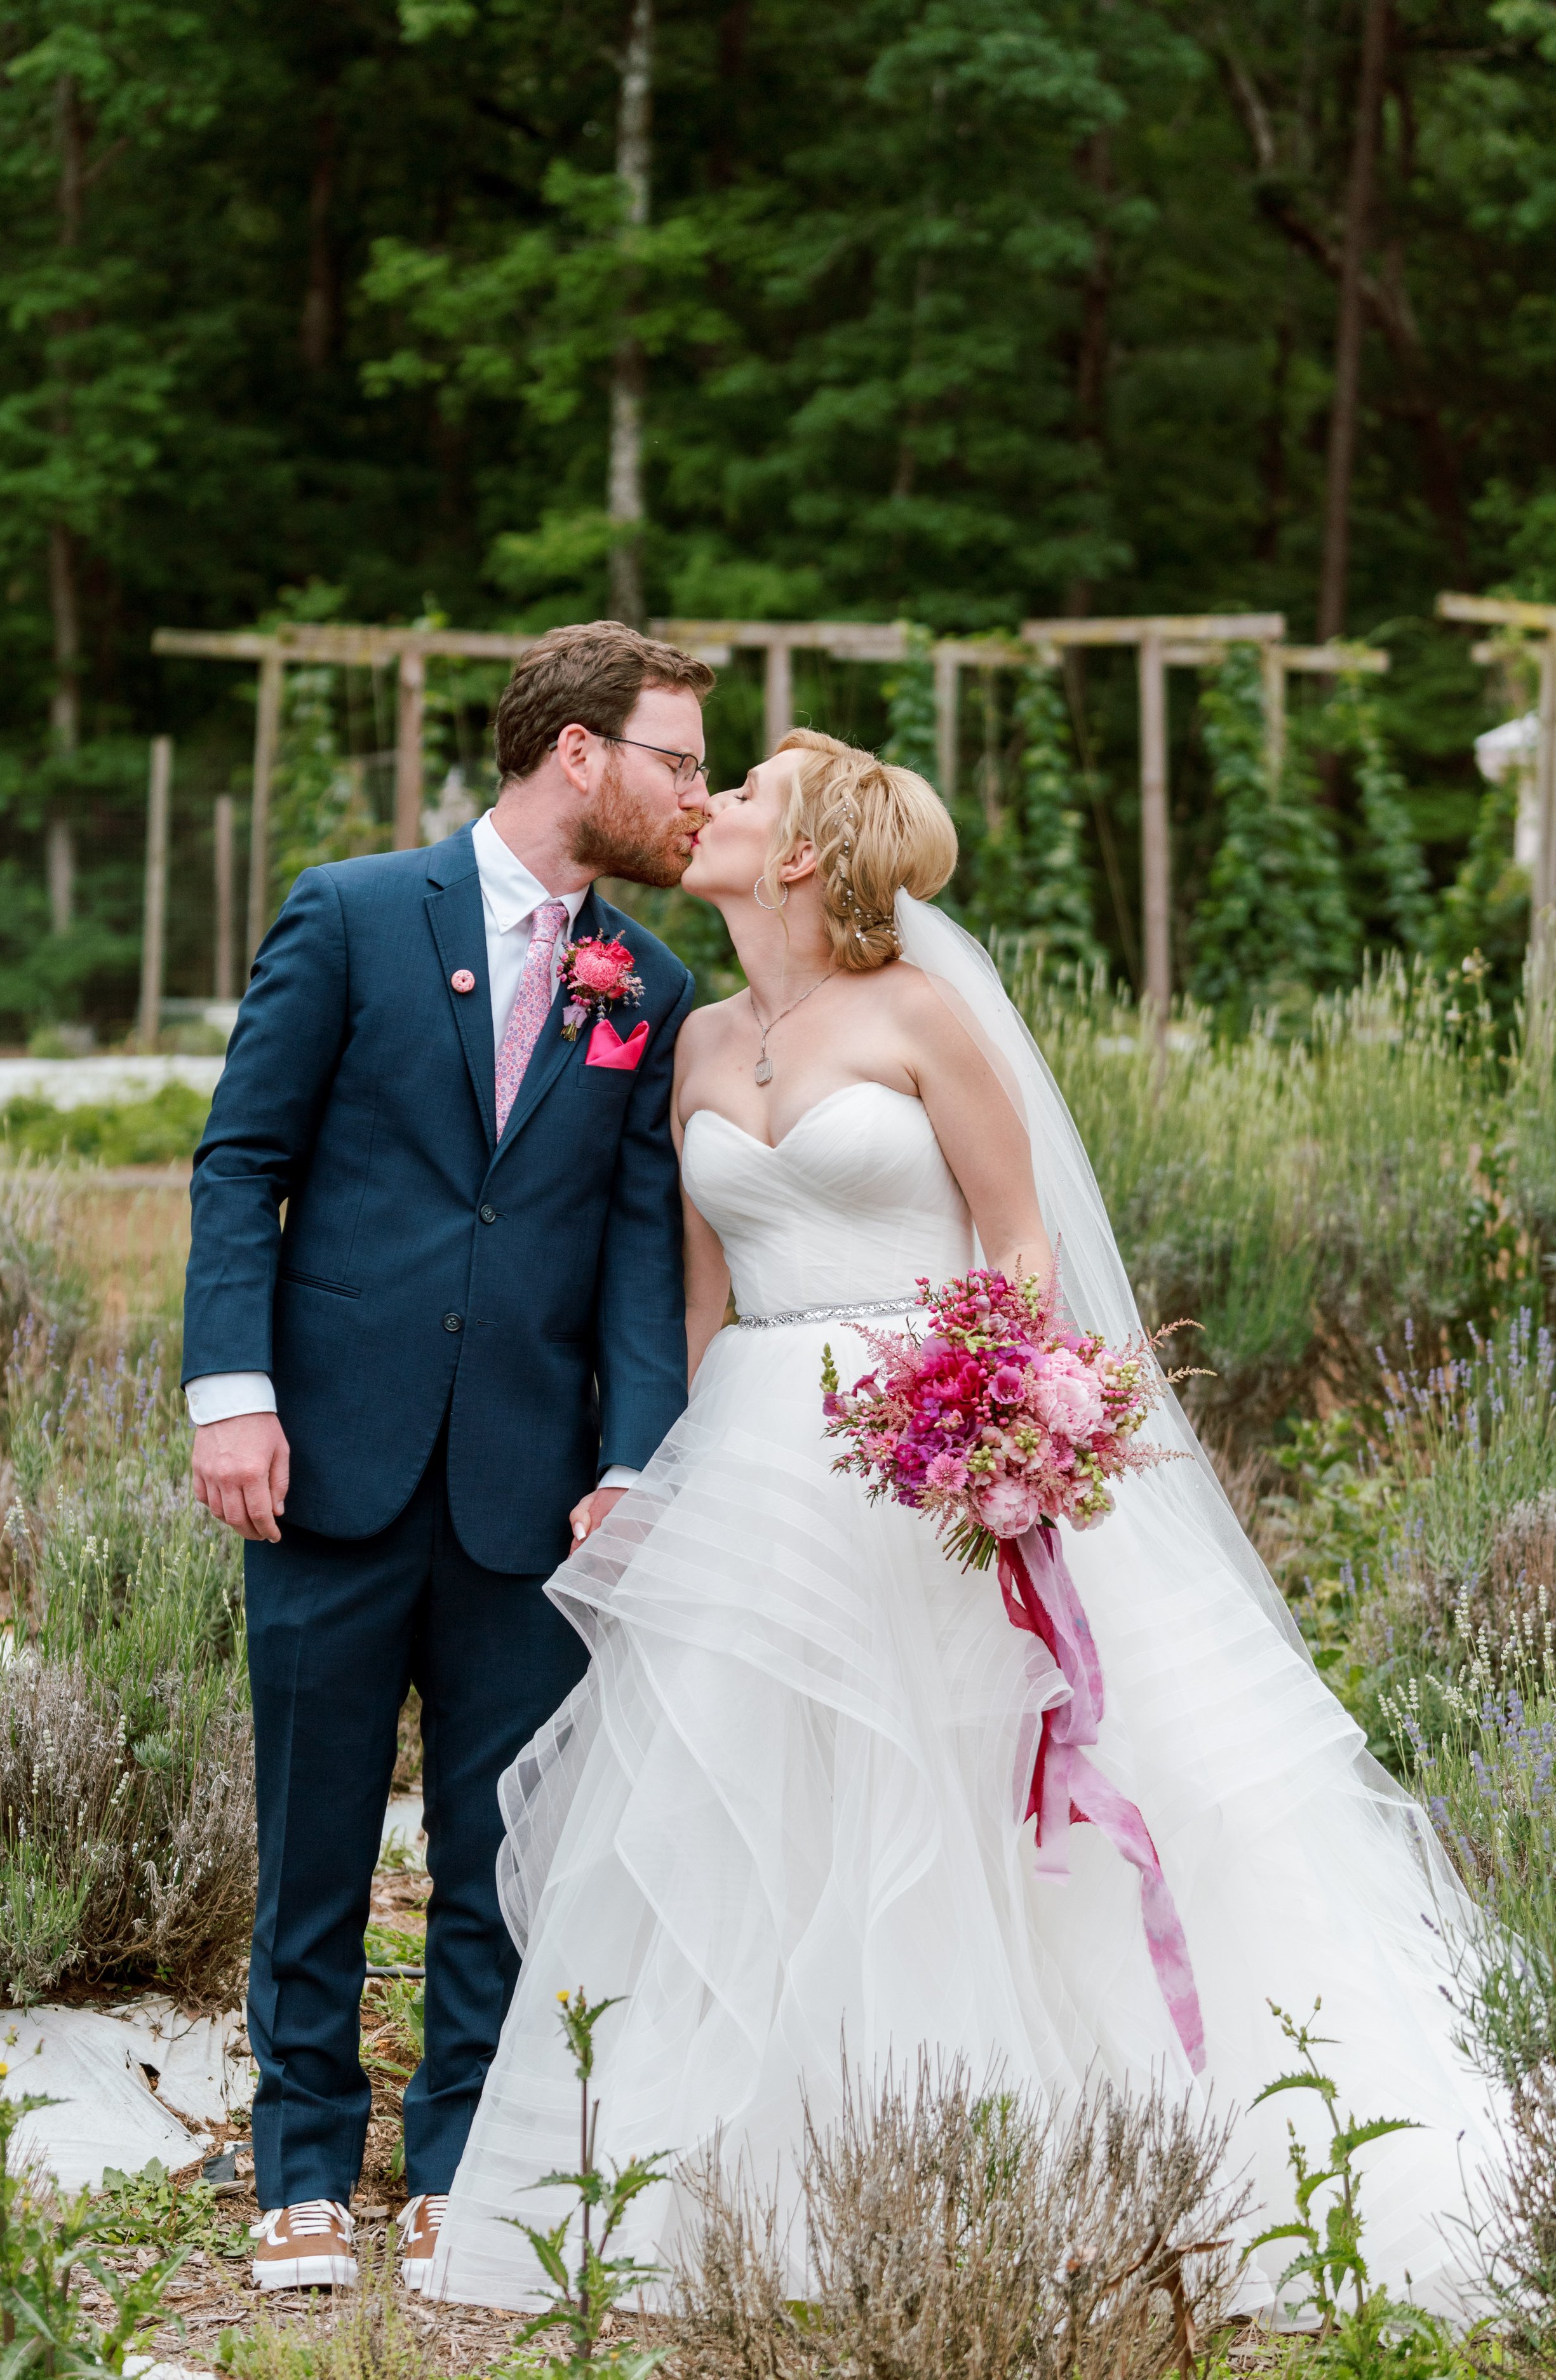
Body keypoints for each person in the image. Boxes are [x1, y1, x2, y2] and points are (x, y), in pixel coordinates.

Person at [431, 726, 1499, 2318]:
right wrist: (649, 1473)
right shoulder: (701, 1040)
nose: (709, 805)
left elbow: (1018, 1237)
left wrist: (992, 1418)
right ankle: (757, 2188)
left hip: (937, 1449)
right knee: (758, 1806)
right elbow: (699, 1306)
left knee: (965, 1798)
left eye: (743, 795)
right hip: (759, 1467)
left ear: (801, 853)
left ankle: (1053, 2161)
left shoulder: (919, 1014)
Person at [182, 620, 715, 2293]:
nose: (696, 793)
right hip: (325, 1455)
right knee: (317, 1824)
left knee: (496, 1847)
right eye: (678, 759)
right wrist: (229, 1391)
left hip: (527, 1488)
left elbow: (640, 1250)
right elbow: (237, 1161)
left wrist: (636, 1457)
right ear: (580, 752)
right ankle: (303, 2158)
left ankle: (467, 2155)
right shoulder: (349, 913)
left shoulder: (653, 982)